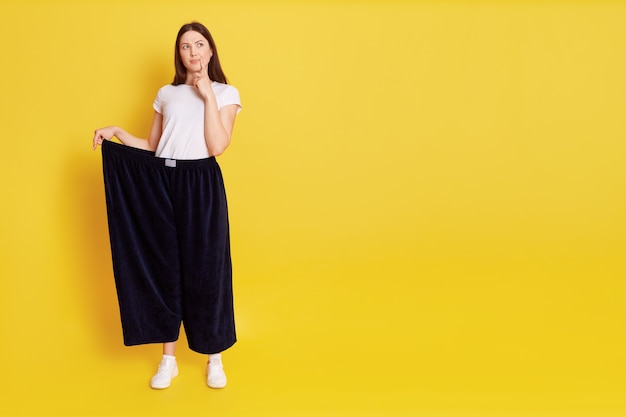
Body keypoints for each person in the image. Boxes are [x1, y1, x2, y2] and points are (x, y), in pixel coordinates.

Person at [92, 22, 241, 390]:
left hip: (201, 181)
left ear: (210, 51)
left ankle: (214, 356)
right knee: (165, 268)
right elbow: (156, 145)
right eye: (185, 46)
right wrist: (118, 134)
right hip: (162, 181)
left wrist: (207, 96)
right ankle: (168, 360)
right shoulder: (166, 93)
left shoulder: (226, 92)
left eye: (199, 44)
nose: (192, 51)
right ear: (180, 54)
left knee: (207, 268)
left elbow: (218, 146)